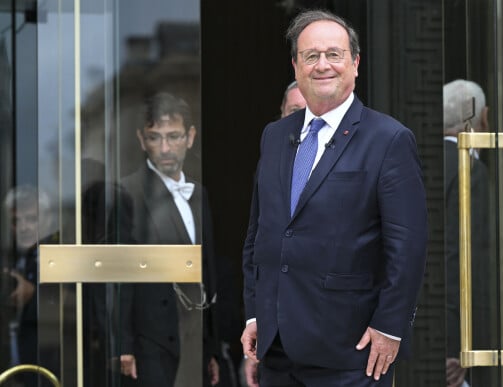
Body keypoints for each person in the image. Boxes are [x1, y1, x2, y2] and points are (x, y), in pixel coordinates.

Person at [240, 9, 428, 387]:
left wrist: (390, 327)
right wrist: (255, 314)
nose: (322, 65)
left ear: (355, 63)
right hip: (277, 351)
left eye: (334, 54)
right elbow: (260, 233)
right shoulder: (275, 136)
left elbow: (407, 247)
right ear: (295, 66)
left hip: (351, 352)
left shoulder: (388, 140)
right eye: (311, 56)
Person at [118, 92, 220, 387]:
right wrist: (123, 345)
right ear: (141, 140)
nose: (164, 148)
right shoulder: (128, 192)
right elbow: (118, 278)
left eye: (173, 136)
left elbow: (208, 271)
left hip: (194, 339)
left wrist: (211, 345)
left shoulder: (200, 194)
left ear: (190, 137)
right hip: (150, 344)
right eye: (155, 137)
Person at [241, 81, 307, 387]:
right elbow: (255, 244)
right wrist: (254, 321)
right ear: (281, 114)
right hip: (276, 344)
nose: (303, 118)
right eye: (295, 111)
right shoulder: (268, 159)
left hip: (331, 342)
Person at [443, 79, 492, 387]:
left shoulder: (413, 162)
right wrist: (458, 347)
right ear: (483, 119)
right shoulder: (470, 171)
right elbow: (461, 259)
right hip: (456, 347)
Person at [0, 185, 58, 386]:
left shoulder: (58, 255)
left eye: (32, 219)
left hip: (49, 368)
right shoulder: (13, 258)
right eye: (16, 221)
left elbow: (77, 308)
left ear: (48, 220)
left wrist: (34, 294)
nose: (23, 227)